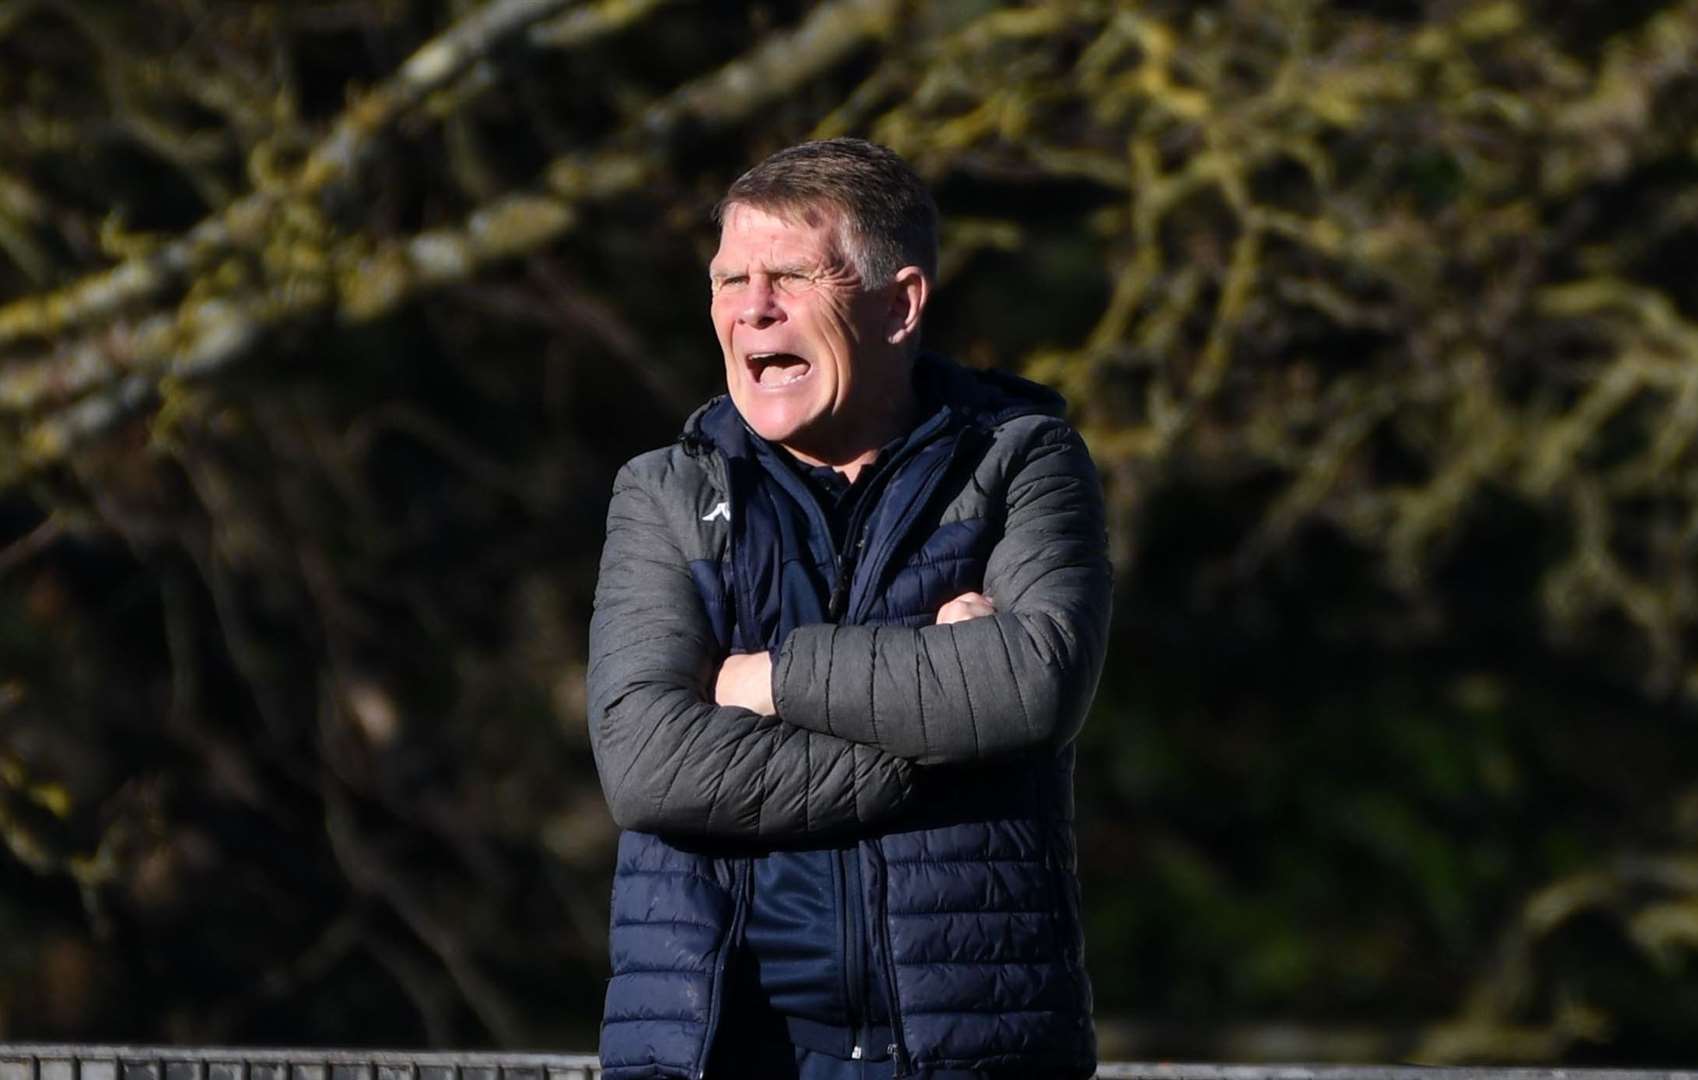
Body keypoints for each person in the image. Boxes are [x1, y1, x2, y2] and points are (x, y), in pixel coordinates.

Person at [587, 138, 1112, 1079]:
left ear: (900, 304)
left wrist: (767, 679)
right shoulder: (663, 493)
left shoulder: (1021, 461)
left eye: (791, 275)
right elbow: (646, 766)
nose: (752, 307)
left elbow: (1032, 689)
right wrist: (943, 732)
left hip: (972, 1051)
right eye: (729, 279)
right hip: (720, 1052)